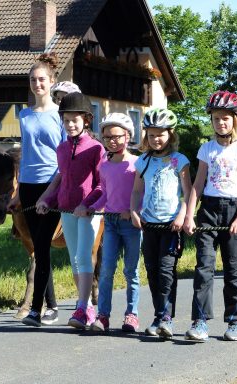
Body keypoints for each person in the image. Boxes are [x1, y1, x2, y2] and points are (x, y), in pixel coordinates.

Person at [183, 90, 237, 342]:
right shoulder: (207, 149)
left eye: (226, 118)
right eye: (216, 118)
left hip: (234, 209)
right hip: (209, 211)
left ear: (235, 119)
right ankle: (200, 321)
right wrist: (189, 215)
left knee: (233, 269)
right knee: (204, 267)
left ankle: (235, 321)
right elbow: (197, 185)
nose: (221, 122)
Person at [35, 92, 104, 330]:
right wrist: (47, 199)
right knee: (75, 261)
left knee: (84, 257)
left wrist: (88, 205)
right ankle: (87, 309)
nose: (71, 124)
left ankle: (83, 308)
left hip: (88, 212)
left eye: (75, 120)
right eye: (66, 120)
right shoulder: (62, 148)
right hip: (66, 211)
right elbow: (63, 179)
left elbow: (100, 183)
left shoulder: (96, 148)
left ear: (86, 120)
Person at [6, 53, 66, 327]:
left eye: (41, 79)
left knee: (42, 246)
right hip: (29, 186)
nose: (37, 84)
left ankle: (37, 310)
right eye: (33, 80)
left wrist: (54, 188)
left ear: (52, 82)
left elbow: (65, 157)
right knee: (39, 250)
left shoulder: (60, 115)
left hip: (52, 184)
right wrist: (18, 193)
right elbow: (27, 152)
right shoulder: (24, 115)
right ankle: (51, 307)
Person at [130, 108, 192, 339]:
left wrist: (182, 216)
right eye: (152, 134)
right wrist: (134, 211)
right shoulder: (142, 161)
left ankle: (167, 318)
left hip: (171, 226)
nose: (157, 139)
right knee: (153, 271)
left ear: (171, 134)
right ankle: (158, 315)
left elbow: (188, 193)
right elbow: (137, 191)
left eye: (161, 134)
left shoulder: (180, 161)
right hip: (149, 225)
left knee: (167, 271)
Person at [90, 113, 142, 333]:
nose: (112, 141)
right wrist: (91, 207)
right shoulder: (104, 165)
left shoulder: (136, 163)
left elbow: (141, 193)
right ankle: (103, 315)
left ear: (128, 136)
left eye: (117, 136)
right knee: (106, 270)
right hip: (110, 223)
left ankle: (132, 314)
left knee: (131, 271)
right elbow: (105, 194)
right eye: (108, 137)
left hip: (131, 224)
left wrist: (133, 211)